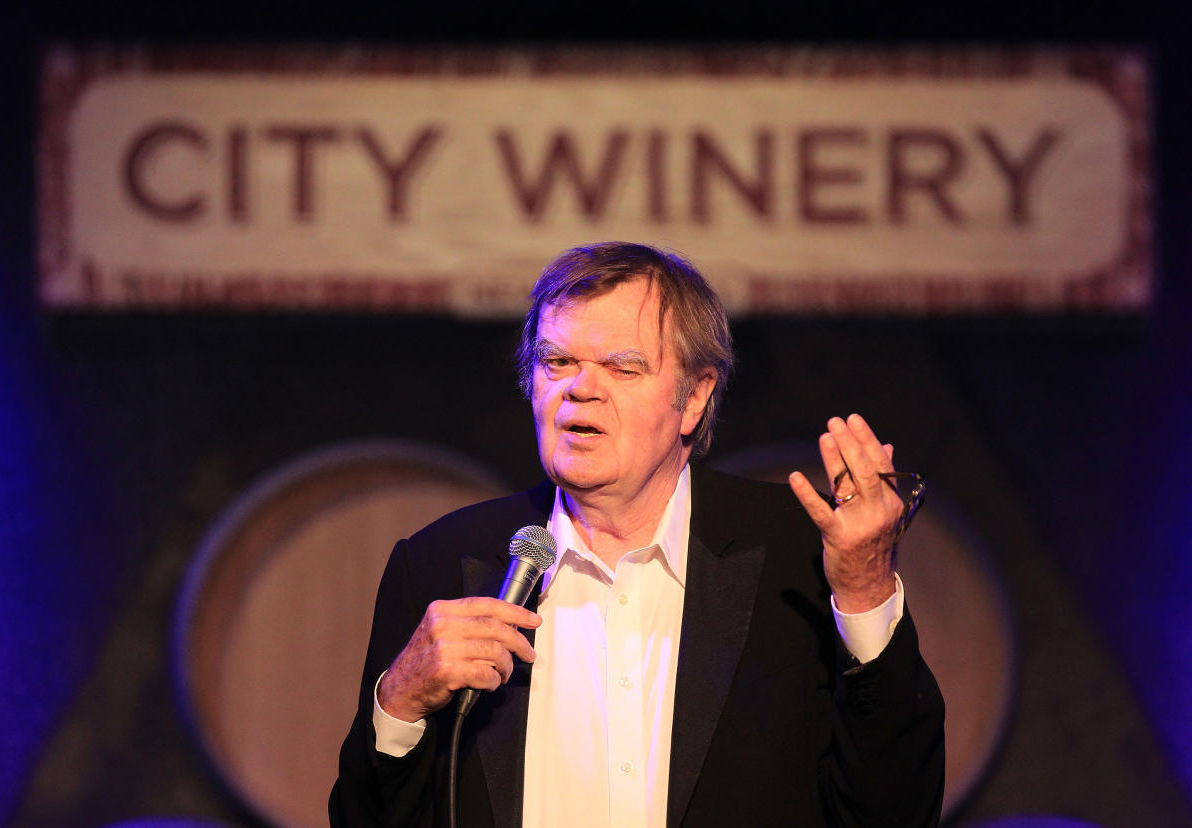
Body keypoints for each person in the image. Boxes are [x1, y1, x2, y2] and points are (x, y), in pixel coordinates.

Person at [330, 242, 944, 828]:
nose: (581, 387)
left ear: (695, 397)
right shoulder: (440, 564)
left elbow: (893, 813)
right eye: (557, 361)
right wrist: (400, 703)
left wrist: (864, 587)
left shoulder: (798, 556)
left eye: (622, 366)